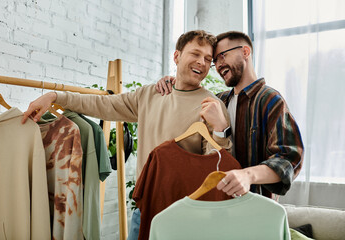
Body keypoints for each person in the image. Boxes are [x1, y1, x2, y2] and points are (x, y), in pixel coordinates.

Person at [22, 30, 232, 240]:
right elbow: (102, 104)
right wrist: (55, 96)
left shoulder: (211, 105)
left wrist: (221, 130)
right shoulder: (151, 94)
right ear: (177, 56)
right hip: (142, 209)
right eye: (195, 54)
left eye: (207, 59)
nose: (202, 63)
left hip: (183, 214)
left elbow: (217, 164)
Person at [156, 31, 304, 199]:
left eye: (223, 56)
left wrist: (248, 175)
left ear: (245, 52)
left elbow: (289, 158)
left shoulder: (270, 100)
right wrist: (172, 82)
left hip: (254, 208)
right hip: (216, 205)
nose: (218, 65)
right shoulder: (218, 100)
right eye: (215, 60)